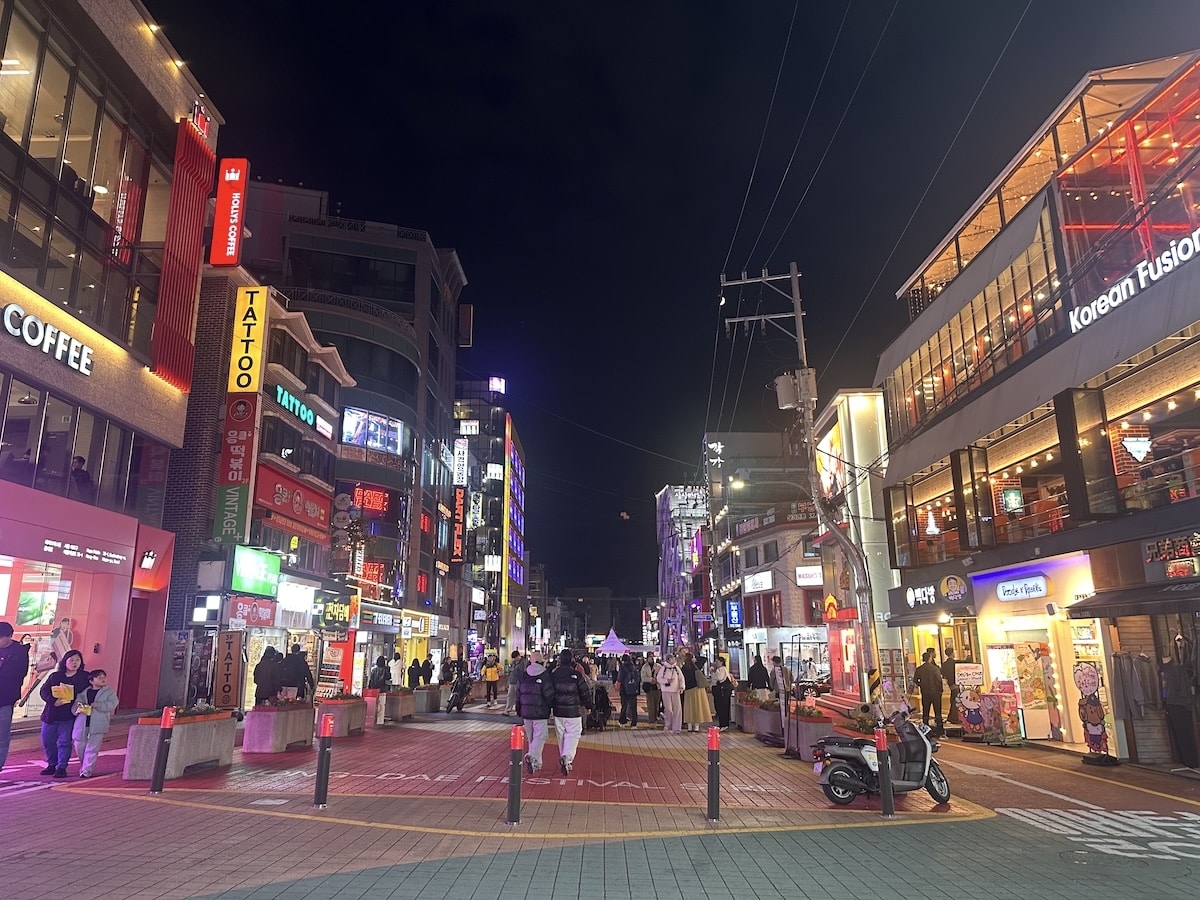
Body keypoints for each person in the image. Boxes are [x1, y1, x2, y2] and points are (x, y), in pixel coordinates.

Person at [39, 649, 90, 777]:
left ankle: (61, 767)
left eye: (77, 660)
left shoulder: (84, 677)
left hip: (69, 716)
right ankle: (52, 764)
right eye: (71, 660)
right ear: (65, 662)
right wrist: (53, 701)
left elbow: (89, 693)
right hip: (51, 714)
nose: (74, 663)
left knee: (64, 742)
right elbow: (44, 691)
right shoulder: (55, 676)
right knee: (47, 741)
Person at [550, 648, 592, 774]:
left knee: (561, 736)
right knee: (573, 735)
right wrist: (588, 705)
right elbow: (585, 692)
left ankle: (565, 758)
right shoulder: (577, 675)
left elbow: (549, 692)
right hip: (574, 711)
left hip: (558, 711)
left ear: (560, 660)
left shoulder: (554, 675)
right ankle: (567, 759)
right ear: (572, 660)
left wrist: (550, 707)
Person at [71, 667, 118, 777]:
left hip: (98, 724)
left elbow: (113, 704)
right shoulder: (84, 693)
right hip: (82, 723)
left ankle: (86, 770)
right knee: (79, 746)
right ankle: (85, 766)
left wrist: (99, 705)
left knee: (92, 748)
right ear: (91, 681)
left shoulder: (109, 692)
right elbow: (75, 706)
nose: (103, 679)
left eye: (104, 677)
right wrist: (77, 708)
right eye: (99, 677)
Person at [516, 650, 555, 773]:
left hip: (526, 712)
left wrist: (519, 708)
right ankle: (532, 755)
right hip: (540, 712)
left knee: (532, 737)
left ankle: (536, 764)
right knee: (541, 735)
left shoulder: (523, 675)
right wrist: (551, 707)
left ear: (531, 661)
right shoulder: (545, 675)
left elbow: (518, 694)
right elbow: (549, 694)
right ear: (542, 661)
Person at [0, 621, 30, 771]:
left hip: (5, 698)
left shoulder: (19, 652)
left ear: (10, 636)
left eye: (1, 638)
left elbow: (20, 674)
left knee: (2, 734)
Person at [915, 648, 945, 735]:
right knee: (937, 711)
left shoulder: (919, 669)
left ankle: (925, 730)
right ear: (929, 658)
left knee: (926, 711)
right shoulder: (935, 669)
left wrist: (921, 684)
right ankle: (940, 730)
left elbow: (915, 680)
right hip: (935, 693)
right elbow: (939, 680)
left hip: (925, 692)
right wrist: (940, 691)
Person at [656, 654, 684, 735]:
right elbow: (659, 678)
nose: (674, 659)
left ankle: (677, 728)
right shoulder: (663, 668)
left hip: (676, 691)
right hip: (666, 691)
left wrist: (682, 686)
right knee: (668, 709)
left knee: (677, 709)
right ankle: (667, 725)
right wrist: (667, 681)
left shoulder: (676, 668)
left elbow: (681, 678)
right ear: (668, 660)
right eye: (672, 658)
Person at [711, 655, 736, 731]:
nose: (716, 663)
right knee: (722, 707)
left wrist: (712, 673)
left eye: (718, 661)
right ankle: (723, 724)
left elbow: (719, 678)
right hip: (724, 691)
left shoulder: (721, 669)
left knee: (722, 707)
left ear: (721, 662)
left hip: (722, 692)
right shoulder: (722, 669)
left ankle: (724, 724)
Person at [616, 654, 641, 728]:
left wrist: (617, 687)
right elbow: (638, 679)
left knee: (624, 705)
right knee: (633, 707)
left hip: (624, 689)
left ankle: (622, 721)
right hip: (633, 690)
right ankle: (634, 723)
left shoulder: (622, 667)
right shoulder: (634, 667)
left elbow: (620, 679)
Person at [640, 653, 661, 724]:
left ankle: (655, 719)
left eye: (652, 657)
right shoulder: (644, 667)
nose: (651, 658)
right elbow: (643, 678)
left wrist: (657, 680)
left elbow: (662, 675)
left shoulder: (658, 666)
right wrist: (650, 680)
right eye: (650, 657)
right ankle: (651, 720)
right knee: (650, 705)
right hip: (649, 688)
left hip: (657, 688)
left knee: (656, 705)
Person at [503, 650, 526, 715]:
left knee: (518, 697)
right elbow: (510, 670)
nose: (514, 659)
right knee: (510, 696)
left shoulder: (523, 662)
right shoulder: (513, 662)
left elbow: (522, 672)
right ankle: (508, 709)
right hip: (512, 681)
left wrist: (514, 670)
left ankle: (519, 710)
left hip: (519, 681)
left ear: (518, 656)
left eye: (515, 658)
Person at [942, 646, 960, 725]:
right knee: (956, 701)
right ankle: (954, 717)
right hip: (956, 684)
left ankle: (951, 716)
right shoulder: (955, 663)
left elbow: (943, 674)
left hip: (950, 685)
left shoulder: (944, 664)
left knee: (953, 699)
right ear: (952, 653)